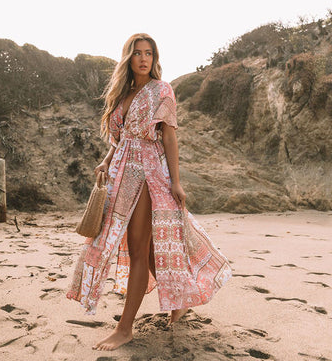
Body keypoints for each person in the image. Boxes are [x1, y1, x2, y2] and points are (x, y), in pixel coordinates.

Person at [66, 33, 232, 351]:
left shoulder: (161, 90)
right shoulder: (121, 94)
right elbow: (118, 140)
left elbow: (169, 138)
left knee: (139, 248)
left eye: (149, 53)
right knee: (146, 246)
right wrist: (104, 163)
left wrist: (176, 181)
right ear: (128, 58)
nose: (144, 59)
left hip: (147, 173)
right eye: (138, 53)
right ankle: (180, 300)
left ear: (155, 59)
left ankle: (125, 328)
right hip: (120, 175)